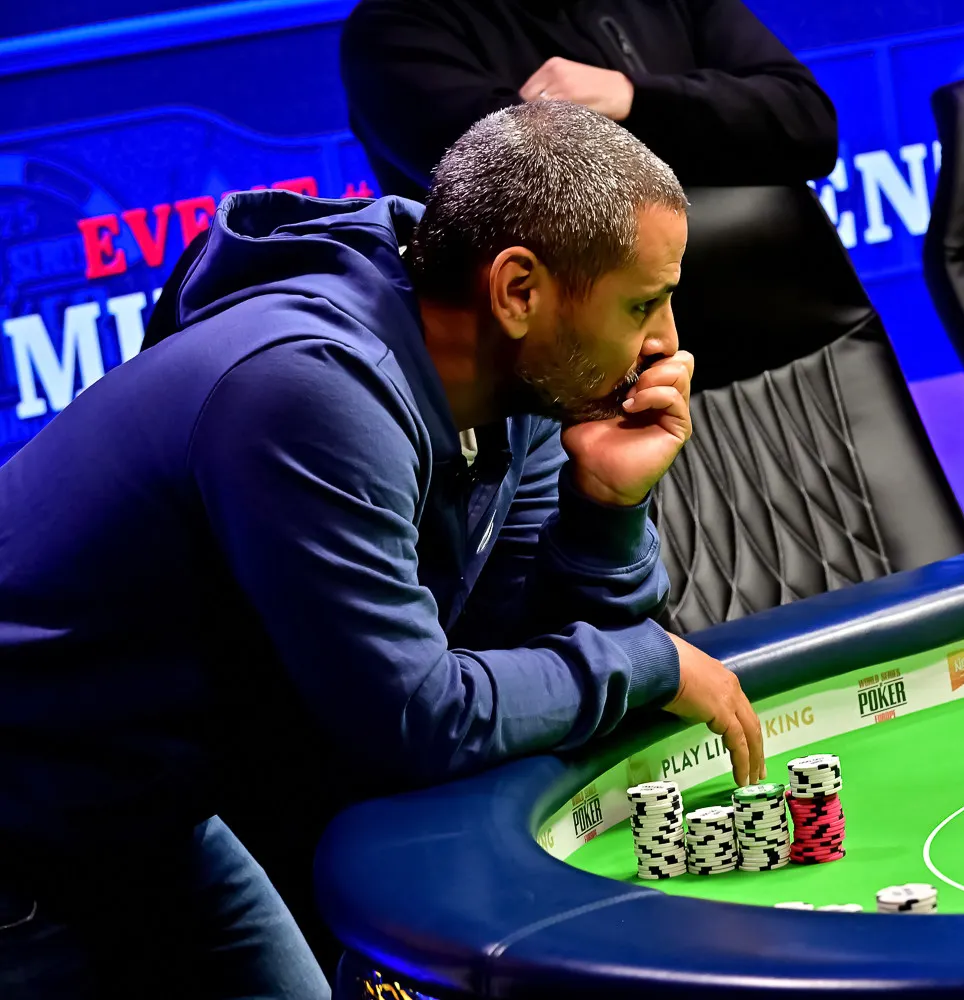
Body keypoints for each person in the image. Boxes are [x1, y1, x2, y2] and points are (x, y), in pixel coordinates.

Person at [0, 101, 765, 999]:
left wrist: (606, 506)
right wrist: (649, 662)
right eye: (642, 303)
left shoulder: (506, 393)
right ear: (519, 291)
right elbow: (419, 721)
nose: (666, 341)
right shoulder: (309, 388)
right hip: (26, 817)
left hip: (145, 809)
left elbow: (524, 659)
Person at [340, 0, 838, 201]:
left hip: (769, 322)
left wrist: (633, 98)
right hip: (562, 369)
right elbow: (526, 187)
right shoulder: (394, 31)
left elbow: (807, 124)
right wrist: (725, 131)